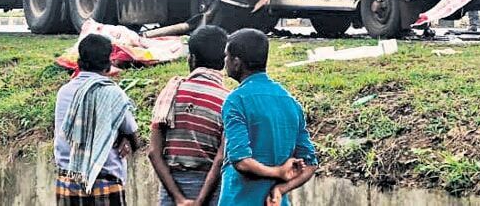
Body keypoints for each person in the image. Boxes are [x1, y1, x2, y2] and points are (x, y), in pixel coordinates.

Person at [219, 29, 318, 206]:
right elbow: (310, 164)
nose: (224, 61)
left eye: (226, 56)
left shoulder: (236, 100)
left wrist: (278, 172)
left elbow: (241, 161)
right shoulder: (290, 102)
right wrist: (280, 189)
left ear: (236, 62)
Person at [149, 26, 229, 206]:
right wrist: (200, 201)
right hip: (211, 191)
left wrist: (178, 198)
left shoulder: (171, 93)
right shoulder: (227, 101)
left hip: (172, 189)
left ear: (191, 59)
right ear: (224, 61)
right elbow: (221, 159)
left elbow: (154, 152)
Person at [54, 34, 138, 205]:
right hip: (105, 182)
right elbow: (132, 134)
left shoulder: (64, 92)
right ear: (109, 62)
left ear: (80, 61)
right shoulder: (113, 93)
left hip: (68, 182)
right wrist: (125, 138)